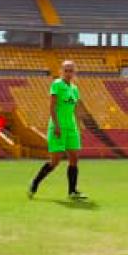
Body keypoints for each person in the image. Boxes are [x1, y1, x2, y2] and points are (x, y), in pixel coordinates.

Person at [28, 60, 87, 200]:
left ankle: (72, 191)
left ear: (74, 72)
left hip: (71, 127)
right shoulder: (57, 85)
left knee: (74, 158)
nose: (68, 73)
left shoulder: (74, 88)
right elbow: (52, 107)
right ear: (61, 71)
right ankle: (35, 182)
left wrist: (79, 126)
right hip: (58, 126)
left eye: (71, 70)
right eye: (66, 70)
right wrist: (56, 125)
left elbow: (76, 109)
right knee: (55, 161)